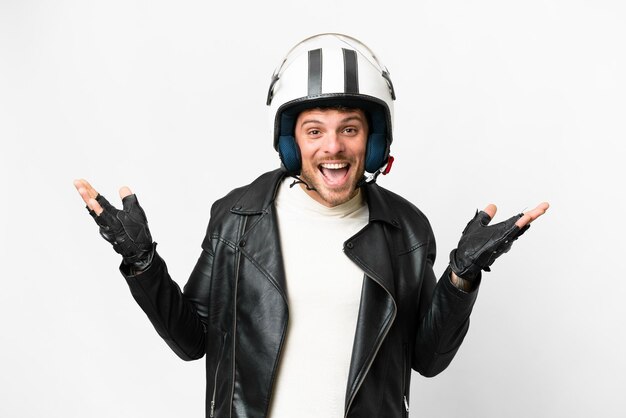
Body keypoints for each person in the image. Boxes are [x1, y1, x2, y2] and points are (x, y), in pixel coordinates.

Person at [74, 33, 548, 418]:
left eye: (350, 128)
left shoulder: (406, 229)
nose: (333, 147)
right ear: (291, 143)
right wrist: (142, 263)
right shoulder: (237, 217)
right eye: (314, 130)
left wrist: (461, 278)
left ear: (374, 141)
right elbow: (191, 341)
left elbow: (427, 360)